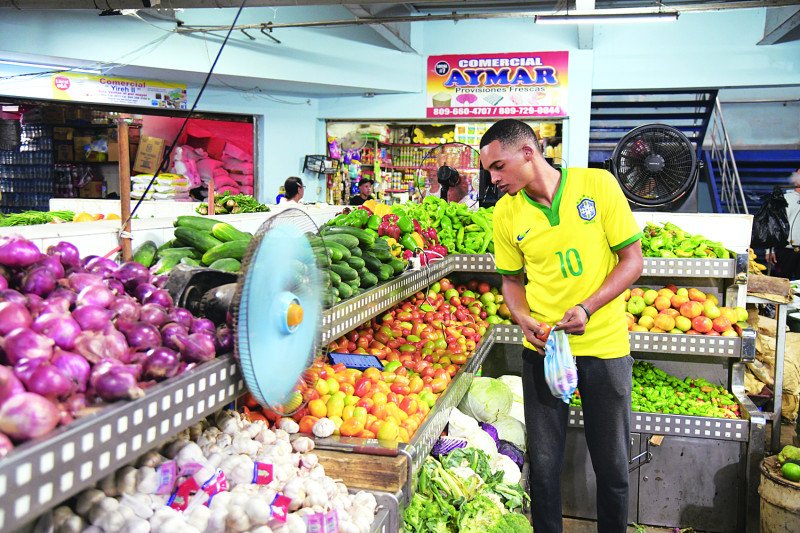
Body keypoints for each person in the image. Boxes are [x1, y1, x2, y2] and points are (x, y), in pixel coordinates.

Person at [479, 119, 643, 533]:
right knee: (546, 467)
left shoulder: (598, 187)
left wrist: (587, 307)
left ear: (529, 153)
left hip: (604, 346)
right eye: (489, 170)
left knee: (612, 466)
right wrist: (521, 317)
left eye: (498, 166)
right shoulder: (505, 213)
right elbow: (512, 282)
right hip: (545, 350)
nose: (493, 178)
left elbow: (632, 262)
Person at [765, 169, 800, 280]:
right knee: (782, 282)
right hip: (785, 249)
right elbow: (772, 224)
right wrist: (769, 250)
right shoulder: (784, 199)